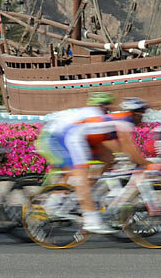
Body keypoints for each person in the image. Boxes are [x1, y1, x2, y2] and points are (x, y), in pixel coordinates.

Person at [55, 94, 151, 234]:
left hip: (84, 136)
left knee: (109, 159)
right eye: (143, 114)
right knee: (81, 173)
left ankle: (89, 191)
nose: (144, 118)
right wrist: (145, 163)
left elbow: (119, 149)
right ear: (136, 113)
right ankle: (90, 220)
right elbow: (128, 146)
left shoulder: (117, 121)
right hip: (72, 135)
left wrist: (131, 161)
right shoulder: (125, 120)